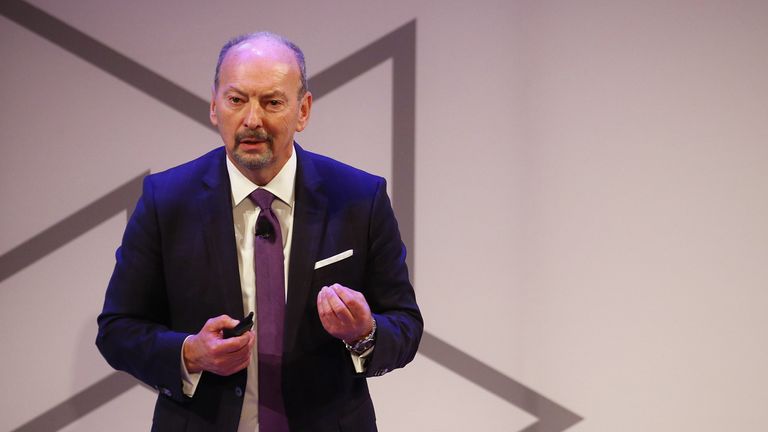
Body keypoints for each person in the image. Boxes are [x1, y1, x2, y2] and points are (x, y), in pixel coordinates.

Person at [96, 31, 422, 432]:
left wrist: (364, 333)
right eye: (237, 100)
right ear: (214, 106)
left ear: (302, 111)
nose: (252, 120)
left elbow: (405, 324)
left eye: (272, 102)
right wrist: (190, 353)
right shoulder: (166, 201)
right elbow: (117, 330)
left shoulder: (359, 197)